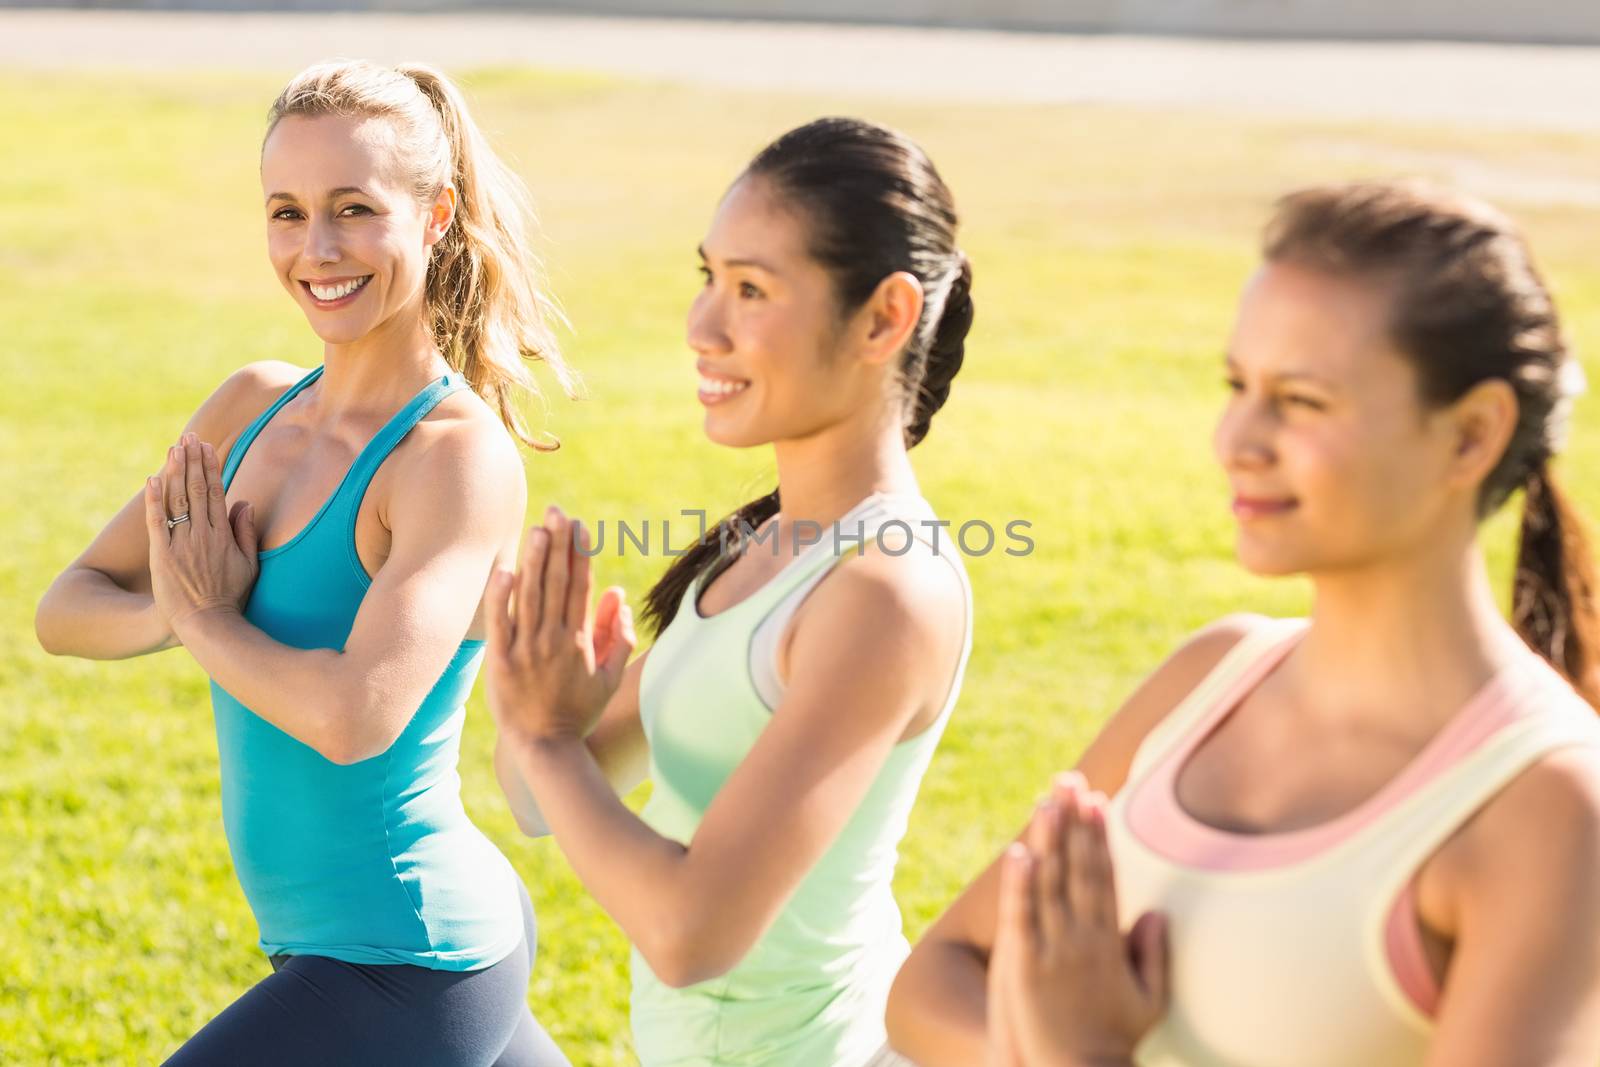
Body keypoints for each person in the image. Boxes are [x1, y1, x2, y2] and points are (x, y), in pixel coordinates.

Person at [885, 180, 1600, 1067]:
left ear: (1471, 435)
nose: (1237, 439)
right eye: (1238, 384)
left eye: (1301, 400)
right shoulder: (1211, 677)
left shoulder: (1544, 810)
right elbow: (929, 985)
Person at [34, 59, 574, 1066]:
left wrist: (204, 620)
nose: (316, 249)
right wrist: (175, 607)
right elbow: (67, 607)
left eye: (355, 209)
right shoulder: (251, 406)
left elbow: (351, 717)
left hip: (409, 955)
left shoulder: (448, 456)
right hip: (349, 944)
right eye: (287, 211)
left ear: (437, 214)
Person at [483, 117, 975, 1067]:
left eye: (751, 289)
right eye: (708, 277)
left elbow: (690, 934)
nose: (702, 327)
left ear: (884, 317)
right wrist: (542, 705)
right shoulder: (760, 545)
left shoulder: (884, 592)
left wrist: (548, 742)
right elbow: (539, 798)